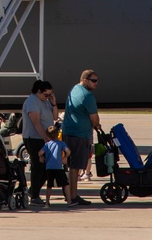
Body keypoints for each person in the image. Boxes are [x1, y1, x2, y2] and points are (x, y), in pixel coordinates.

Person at [62, 70, 100, 207]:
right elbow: (95, 119)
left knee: (71, 165)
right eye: (94, 80)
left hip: (68, 132)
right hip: (79, 135)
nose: (96, 83)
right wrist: (97, 125)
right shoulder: (87, 96)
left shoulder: (74, 89)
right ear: (85, 80)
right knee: (75, 166)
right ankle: (72, 196)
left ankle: (69, 193)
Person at [22, 80, 58, 205]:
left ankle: (33, 190)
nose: (47, 97)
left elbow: (54, 117)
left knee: (48, 167)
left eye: (49, 95)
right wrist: (45, 139)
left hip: (45, 138)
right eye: (46, 95)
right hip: (34, 138)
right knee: (38, 166)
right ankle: (34, 195)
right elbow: (36, 122)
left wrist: (53, 104)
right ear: (38, 91)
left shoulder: (45, 101)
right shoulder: (32, 102)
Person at [39, 124, 71, 207]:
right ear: (57, 134)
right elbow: (68, 151)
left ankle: (47, 202)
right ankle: (69, 201)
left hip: (49, 168)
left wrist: (42, 157)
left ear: (48, 136)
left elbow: (40, 153)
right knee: (65, 184)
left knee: (49, 186)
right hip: (58, 167)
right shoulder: (61, 143)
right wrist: (65, 157)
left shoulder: (47, 145)